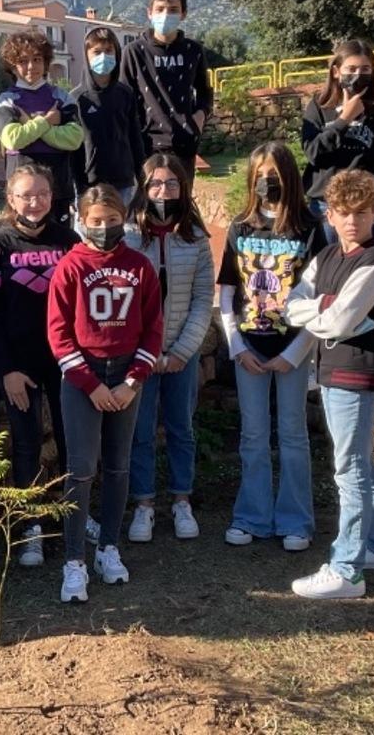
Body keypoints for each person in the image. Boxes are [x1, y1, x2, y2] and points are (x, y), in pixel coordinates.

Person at [284, 170, 374, 599]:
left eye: (361, 212)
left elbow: (339, 321)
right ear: (329, 214)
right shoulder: (327, 256)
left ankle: (347, 569)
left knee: (349, 469)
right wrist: (323, 307)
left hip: (357, 371)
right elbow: (292, 304)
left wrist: (319, 312)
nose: (352, 221)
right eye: (344, 212)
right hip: (333, 368)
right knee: (359, 464)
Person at [48, 185, 163, 603]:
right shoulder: (70, 266)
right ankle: (74, 559)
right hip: (85, 377)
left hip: (126, 375)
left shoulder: (140, 266)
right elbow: (59, 333)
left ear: (124, 219)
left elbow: (153, 327)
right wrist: (91, 384)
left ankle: (108, 547)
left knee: (118, 466)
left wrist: (133, 381)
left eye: (112, 220)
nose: (104, 228)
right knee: (80, 469)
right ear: (82, 221)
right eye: (96, 221)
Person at [216, 142, 326, 552]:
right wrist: (236, 346)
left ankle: (296, 520)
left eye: (274, 175)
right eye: (260, 174)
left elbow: (321, 299)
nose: (266, 181)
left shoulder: (309, 229)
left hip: (292, 347)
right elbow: (228, 292)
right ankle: (252, 515)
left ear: (289, 178)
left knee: (293, 433)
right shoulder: (240, 227)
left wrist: (295, 353)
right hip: (249, 348)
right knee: (253, 435)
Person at [0, 163, 80, 569]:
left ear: (52, 196)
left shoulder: (69, 240)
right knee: (26, 442)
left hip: (64, 360)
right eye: (25, 195)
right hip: (18, 364)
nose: (34, 202)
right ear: (11, 199)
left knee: (74, 441)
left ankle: (75, 518)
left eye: (41, 193)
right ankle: (30, 527)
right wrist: (6, 369)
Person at [126, 154, 213, 543]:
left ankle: (181, 500)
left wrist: (181, 351)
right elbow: (122, 300)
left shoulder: (195, 237)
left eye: (172, 183)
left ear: (183, 187)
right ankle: (143, 504)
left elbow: (202, 298)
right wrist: (144, 353)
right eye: (156, 184)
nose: (164, 191)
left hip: (182, 351)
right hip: (139, 355)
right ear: (144, 188)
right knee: (140, 430)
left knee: (181, 427)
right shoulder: (127, 236)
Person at [300, 39, 374, 254]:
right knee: (326, 269)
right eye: (351, 69)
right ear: (336, 72)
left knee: (370, 269)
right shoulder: (319, 107)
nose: (358, 75)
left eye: (365, 69)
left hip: (369, 210)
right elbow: (312, 152)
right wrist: (344, 119)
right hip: (326, 208)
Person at [120, 0, 213, 179]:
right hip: (146, 146)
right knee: (150, 198)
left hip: (184, 144)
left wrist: (200, 116)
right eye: (160, 9)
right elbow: (124, 100)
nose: (165, 15)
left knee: (181, 198)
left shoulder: (194, 50)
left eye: (173, 10)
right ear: (149, 13)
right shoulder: (134, 52)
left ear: (183, 14)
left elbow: (205, 91)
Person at [0, 31, 84, 227]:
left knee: (60, 242)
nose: (31, 66)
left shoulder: (63, 97)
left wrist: (31, 125)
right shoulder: (7, 99)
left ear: (46, 62)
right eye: (23, 61)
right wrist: (46, 121)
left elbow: (75, 138)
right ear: (12, 65)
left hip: (58, 190)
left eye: (36, 59)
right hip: (21, 192)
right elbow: (12, 139)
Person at [72, 27, 145, 209]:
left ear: (117, 53)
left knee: (122, 226)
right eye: (97, 52)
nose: (103, 56)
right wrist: (77, 186)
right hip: (89, 184)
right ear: (86, 56)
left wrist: (142, 177)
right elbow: (73, 149)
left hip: (123, 182)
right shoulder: (76, 99)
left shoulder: (125, 94)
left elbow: (135, 138)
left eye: (108, 50)